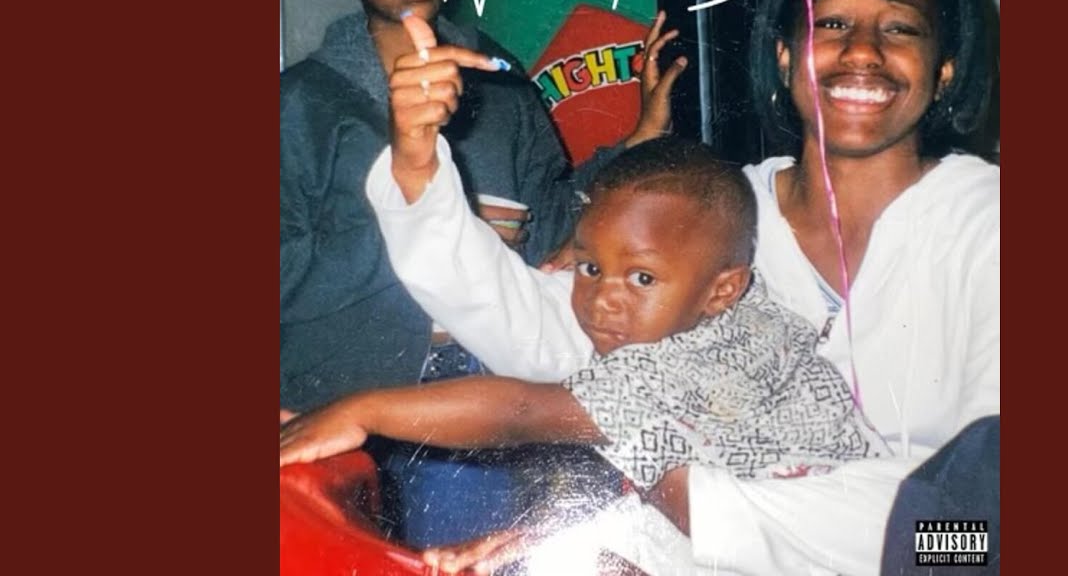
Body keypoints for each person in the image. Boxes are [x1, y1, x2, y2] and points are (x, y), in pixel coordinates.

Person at [367, 0, 998, 575]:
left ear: (945, 70)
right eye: (832, 22)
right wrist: (417, 161)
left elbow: (980, 524)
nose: (862, 50)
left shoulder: (990, 224)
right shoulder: (712, 215)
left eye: (900, 28)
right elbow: (544, 330)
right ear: (785, 56)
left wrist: (690, 506)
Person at [279, 0, 684, 548]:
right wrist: (422, 220)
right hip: (342, 387)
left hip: (478, 386)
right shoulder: (301, 102)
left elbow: (552, 222)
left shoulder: (497, 82)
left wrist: (639, 140)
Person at [283, 136, 888, 573]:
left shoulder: (711, 355)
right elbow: (662, 485)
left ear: (722, 289)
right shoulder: (730, 317)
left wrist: (359, 411)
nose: (603, 299)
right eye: (591, 268)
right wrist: (528, 542)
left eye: (642, 279)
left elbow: (523, 411)